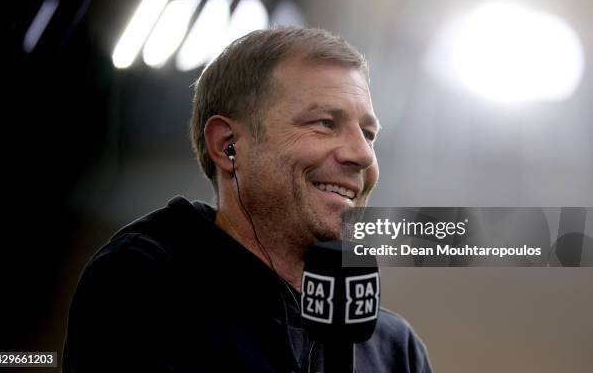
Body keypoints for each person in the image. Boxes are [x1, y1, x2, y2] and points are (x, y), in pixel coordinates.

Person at [63, 27, 432, 372]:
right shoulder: (144, 285)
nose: (363, 155)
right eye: (324, 123)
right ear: (228, 146)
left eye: (368, 134)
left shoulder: (394, 348)